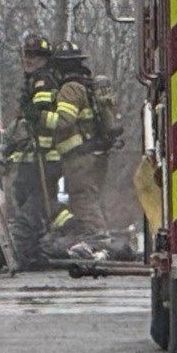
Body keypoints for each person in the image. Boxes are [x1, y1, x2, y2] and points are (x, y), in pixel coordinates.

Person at [5, 33, 66, 269]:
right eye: (27, 55)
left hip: (46, 156)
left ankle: (31, 248)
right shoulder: (31, 81)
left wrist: (34, 115)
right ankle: (39, 244)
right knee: (23, 194)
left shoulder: (43, 81)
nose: (31, 60)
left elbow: (40, 114)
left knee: (36, 202)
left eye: (37, 56)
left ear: (45, 59)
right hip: (33, 156)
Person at [49, 42, 111, 260]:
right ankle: (95, 239)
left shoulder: (70, 89)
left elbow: (65, 120)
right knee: (89, 197)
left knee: (82, 198)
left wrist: (40, 119)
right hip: (94, 153)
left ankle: (97, 241)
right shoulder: (86, 85)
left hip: (80, 155)